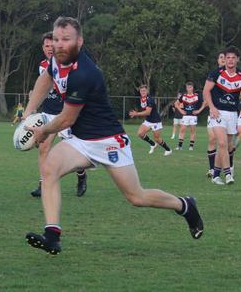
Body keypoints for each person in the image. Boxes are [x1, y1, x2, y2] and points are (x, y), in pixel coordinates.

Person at [24, 17, 203, 255]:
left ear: (80, 41)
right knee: (49, 169)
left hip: (109, 141)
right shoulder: (57, 60)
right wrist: (28, 113)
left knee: (136, 197)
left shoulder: (85, 74)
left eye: (66, 40)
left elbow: (67, 119)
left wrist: (42, 131)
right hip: (81, 141)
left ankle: (185, 205)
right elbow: (45, 79)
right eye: (56, 39)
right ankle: (52, 235)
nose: (59, 44)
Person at [26, 31, 87, 199]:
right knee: (44, 148)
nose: (49, 48)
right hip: (48, 111)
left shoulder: (67, 63)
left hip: (64, 113)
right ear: (43, 48)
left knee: (73, 151)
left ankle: (81, 175)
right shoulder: (42, 65)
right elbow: (44, 86)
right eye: (46, 46)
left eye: (51, 45)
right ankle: (43, 184)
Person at [203, 46, 241, 185]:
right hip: (217, 112)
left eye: (233, 58)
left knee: (226, 146)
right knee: (222, 143)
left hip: (232, 115)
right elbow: (206, 91)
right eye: (228, 57)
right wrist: (212, 107)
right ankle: (228, 174)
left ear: (237, 60)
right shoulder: (216, 73)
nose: (230, 60)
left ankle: (216, 175)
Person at [129, 85, 172, 156]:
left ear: (147, 91)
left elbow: (147, 112)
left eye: (144, 90)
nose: (142, 92)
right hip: (148, 121)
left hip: (156, 121)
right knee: (140, 133)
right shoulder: (141, 98)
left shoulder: (150, 99)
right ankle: (153, 144)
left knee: (157, 139)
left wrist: (136, 114)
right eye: (141, 91)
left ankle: (168, 150)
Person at [206, 52, 226, 179]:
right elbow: (206, 92)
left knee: (224, 143)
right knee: (212, 139)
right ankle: (212, 169)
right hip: (214, 112)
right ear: (218, 60)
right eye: (221, 57)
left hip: (228, 113)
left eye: (226, 57)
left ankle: (227, 168)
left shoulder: (234, 75)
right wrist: (211, 107)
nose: (224, 59)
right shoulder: (213, 74)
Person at [175, 82, 205, 151]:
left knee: (192, 131)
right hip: (185, 116)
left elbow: (205, 103)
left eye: (190, 87)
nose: (189, 88)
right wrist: (181, 111)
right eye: (188, 87)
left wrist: (199, 111)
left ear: (193, 88)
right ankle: (179, 146)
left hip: (193, 116)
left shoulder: (197, 96)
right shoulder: (183, 96)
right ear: (186, 88)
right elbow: (176, 103)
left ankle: (191, 146)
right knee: (182, 130)